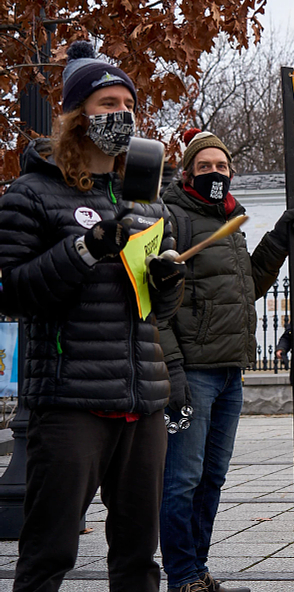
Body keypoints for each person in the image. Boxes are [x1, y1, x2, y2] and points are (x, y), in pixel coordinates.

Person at [0, 41, 185, 591]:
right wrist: (85, 248)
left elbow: (160, 310)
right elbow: (10, 292)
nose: (121, 115)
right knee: (50, 552)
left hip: (142, 402)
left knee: (136, 558)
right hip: (71, 402)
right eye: (107, 103)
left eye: (128, 104)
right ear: (76, 116)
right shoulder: (32, 193)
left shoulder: (150, 203)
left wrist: (168, 284)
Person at [157, 128, 294, 592]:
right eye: (205, 167)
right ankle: (182, 574)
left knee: (212, 478)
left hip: (230, 374)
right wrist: (174, 371)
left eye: (222, 167)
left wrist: (280, 238)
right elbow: (156, 303)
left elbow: (248, 286)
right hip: (194, 374)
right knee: (182, 479)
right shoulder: (170, 217)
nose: (215, 173)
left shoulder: (232, 219)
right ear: (187, 174)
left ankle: (198, 571)